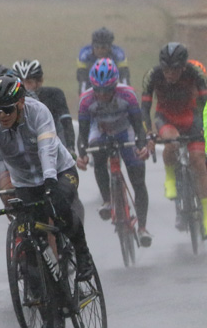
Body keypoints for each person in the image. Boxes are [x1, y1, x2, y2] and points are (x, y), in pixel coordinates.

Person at [0, 76, 95, 328]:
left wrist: (51, 182)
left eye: (7, 109)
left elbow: (47, 148)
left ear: (21, 103)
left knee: (60, 205)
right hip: (26, 182)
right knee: (33, 247)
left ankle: (82, 253)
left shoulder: (38, 112)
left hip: (59, 171)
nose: (1, 115)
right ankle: (51, 315)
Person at [76, 58, 151, 245]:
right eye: (97, 90)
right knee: (98, 154)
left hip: (125, 130)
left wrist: (141, 145)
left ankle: (142, 227)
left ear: (115, 85)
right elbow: (83, 135)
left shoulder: (128, 95)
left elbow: (139, 127)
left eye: (107, 90)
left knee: (138, 179)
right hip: (100, 130)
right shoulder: (86, 100)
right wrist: (83, 153)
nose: (101, 94)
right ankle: (107, 200)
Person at [141, 42, 207, 231]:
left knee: (198, 160)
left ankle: (206, 213)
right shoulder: (152, 75)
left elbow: (205, 103)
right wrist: (149, 133)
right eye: (166, 69)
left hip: (190, 116)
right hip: (166, 118)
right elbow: (144, 109)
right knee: (172, 142)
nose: (169, 74)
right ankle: (170, 178)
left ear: (184, 67)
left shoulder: (195, 73)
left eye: (174, 70)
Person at [12, 60, 75, 151]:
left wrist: (70, 147)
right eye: (20, 83)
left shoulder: (55, 94)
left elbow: (66, 123)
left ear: (40, 82)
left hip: (51, 143)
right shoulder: (10, 100)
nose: (24, 87)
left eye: (29, 82)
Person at [77, 26, 130, 95]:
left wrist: (127, 95)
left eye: (103, 47)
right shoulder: (85, 54)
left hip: (111, 85)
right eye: (96, 47)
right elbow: (83, 81)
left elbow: (124, 79)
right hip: (92, 84)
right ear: (92, 46)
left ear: (110, 48)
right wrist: (83, 98)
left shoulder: (118, 54)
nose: (100, 50)